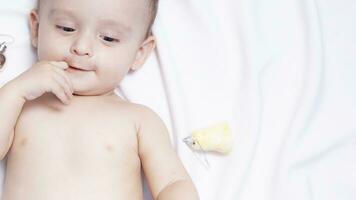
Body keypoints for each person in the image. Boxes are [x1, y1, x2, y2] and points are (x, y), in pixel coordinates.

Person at [0, 0, 199, 199]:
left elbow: (173, 183)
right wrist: (16, 90)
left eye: (108, 38)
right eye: (66, 28)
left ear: (140, 53)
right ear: (36, 29)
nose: (81, 47)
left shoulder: (139, 119)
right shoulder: (20, 107)